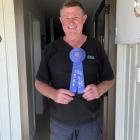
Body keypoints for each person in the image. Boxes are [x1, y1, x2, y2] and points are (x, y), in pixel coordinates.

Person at [35, 0, 114, 140]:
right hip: (59, 122)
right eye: (67, 18)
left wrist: (99, 90)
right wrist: (53, 94)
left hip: (91, 121)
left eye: (76, 18)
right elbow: (39, 83)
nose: (71, 23)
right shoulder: (51, 49)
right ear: (61, 20)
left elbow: (109, 78)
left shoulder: (96, 46)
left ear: (84, 19)